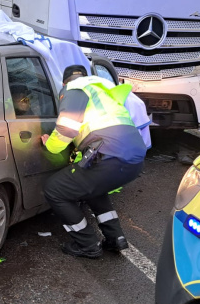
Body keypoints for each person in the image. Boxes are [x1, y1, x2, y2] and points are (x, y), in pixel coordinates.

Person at [41, 65, 147, 259]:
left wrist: (50, 146)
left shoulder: (74, 89)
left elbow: (67, 129)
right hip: (135, 157)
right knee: (92, 188)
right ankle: (115, 238)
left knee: (54, 189)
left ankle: (87, 244)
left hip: (109, 155)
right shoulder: (101, 90)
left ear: (64, 83)